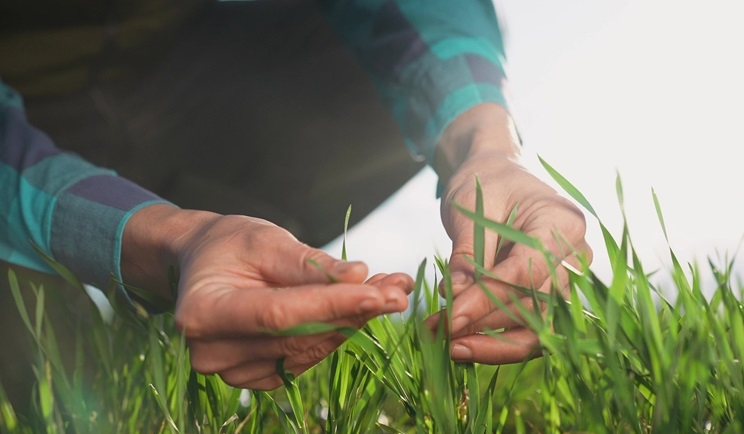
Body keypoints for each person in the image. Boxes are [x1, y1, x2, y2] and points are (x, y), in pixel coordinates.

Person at [0, 0, 591, 391]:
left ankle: (234, 289)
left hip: (188, 69)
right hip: (24, 122)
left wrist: (484, 141)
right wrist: (170, 240)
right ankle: (168, 279)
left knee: (379, 80)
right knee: (39, 380)